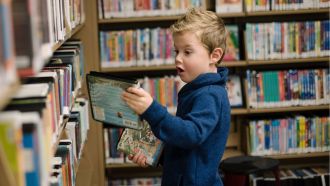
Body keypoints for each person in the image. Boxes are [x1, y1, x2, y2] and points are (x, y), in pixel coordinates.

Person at [121, 8, 231, 186]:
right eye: (176, 51)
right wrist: (156, 154)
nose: (178, 58)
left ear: (214, 55)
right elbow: (188, 150)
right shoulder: (197, 89)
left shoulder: (210, 95)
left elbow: (191, 134)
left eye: (187, 52)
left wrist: (151, 110)